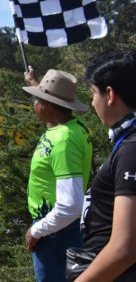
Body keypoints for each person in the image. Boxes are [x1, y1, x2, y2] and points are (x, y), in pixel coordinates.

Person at [22, 68, 93, 282]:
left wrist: (37, 230)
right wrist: (36, 83)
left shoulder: (63, 141)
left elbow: (71, 204)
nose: (35, 103)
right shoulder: (71, 127)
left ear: (48, 105)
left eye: (39, 99)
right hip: (59, 229)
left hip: (54, 231)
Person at [75, 49, 136, 281]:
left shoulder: (131, 148)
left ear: (109, 94)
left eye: (93, 93)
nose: (92, 102)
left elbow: (124, 249)